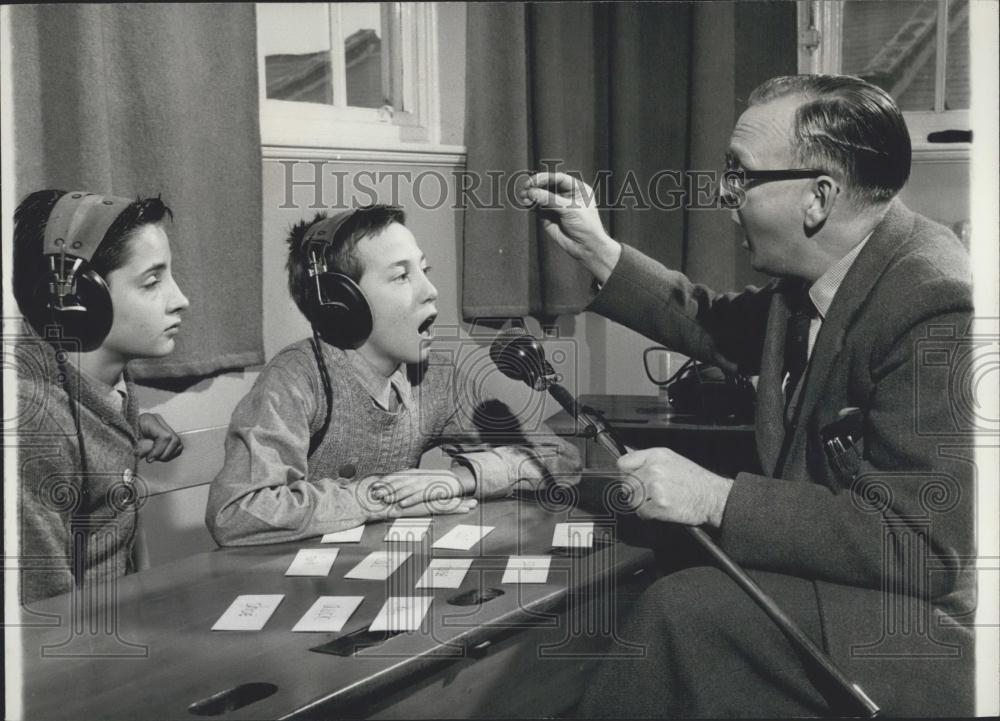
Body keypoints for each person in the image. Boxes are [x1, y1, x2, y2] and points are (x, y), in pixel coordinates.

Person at [522, 75, 975, 717]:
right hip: (843, 582)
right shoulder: (825, 275)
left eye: (741, 176)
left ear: (819, 197)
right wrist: (598, 247)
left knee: (684, 613)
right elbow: (713, 322)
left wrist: (714, 495)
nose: (726, 198)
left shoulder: (936, 304)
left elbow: (921, 547)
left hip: (911, 625)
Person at [206, 205, 581, 546]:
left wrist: (458, 478)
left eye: (424, 271)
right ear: (342, 305)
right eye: (402, 277)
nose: (431, 291)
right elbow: (237, 512)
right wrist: (381, 494)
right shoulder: (295, 379)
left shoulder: (434, 379)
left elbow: (559, 458)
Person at [13, 189, 190, 604]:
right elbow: (41, 618)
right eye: (152, 281)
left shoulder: (105, 380)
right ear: (79, 300)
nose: (181, 300)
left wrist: (126, 421)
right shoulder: (34, 421)